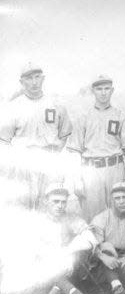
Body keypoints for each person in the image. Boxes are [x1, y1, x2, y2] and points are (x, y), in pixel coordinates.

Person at [0, 63, 73, 209]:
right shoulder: (13, 107)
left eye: (37, 77)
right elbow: (4, 141)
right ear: (22, 82)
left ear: (43, 78)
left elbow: (64, 133)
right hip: (23, 163)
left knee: (49, 207)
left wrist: (53, 154)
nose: (34, 82)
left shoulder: (56, 104)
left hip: (49, 161)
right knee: (22, 207)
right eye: (29, 78)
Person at [66, 75, 125, 221]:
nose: (103, 92)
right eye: (99, 89)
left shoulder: (120, 115)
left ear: (112, 90)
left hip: (115, 168)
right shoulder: (84, 117)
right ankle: (95, 243)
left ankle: (118, 243)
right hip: (91, 170)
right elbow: (75, 152)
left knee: (120, 212)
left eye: (106, 89)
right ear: (93, 91)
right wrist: (77, 179)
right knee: (93, 215)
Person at [39, 184, 98, 294]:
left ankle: (57, 288)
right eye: (55, 201)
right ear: (46, 201)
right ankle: (71, 290)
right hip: (46, 264)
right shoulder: (38, 221)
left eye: (63, 202)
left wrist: (68, 254)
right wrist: (60, 257)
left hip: (67, 263)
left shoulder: (70, 218)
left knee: (80, 247)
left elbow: (91, 238)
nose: (60, 206)